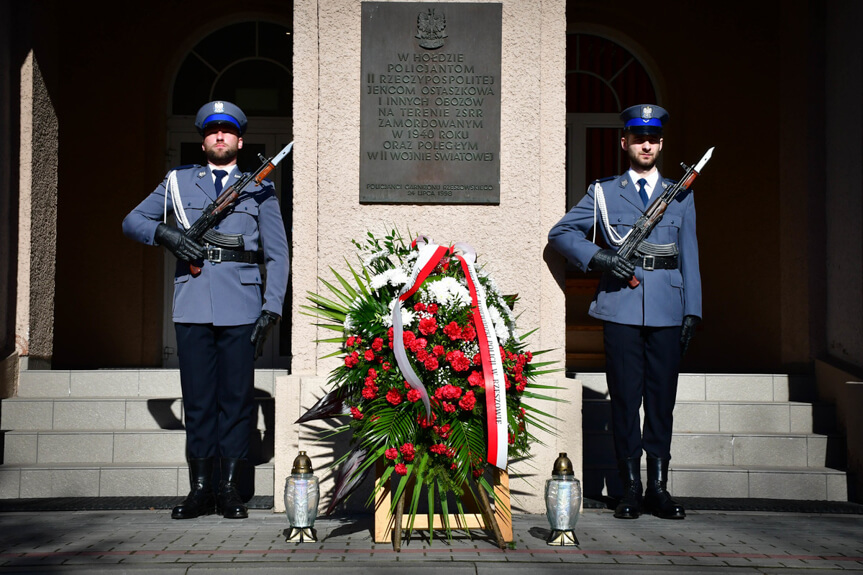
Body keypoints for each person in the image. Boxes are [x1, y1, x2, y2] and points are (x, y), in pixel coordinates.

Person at [122, 101, 290, 519]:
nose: (220, 136)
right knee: (198, 402)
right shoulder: (178, 182)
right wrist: (168, 235)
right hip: (193, 304)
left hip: (242, 305)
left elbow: (278, 255)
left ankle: (229, 490)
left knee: (235, 401)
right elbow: (132, 221)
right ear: (203, 141)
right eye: (212, 130)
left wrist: (271, 309)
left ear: (240, 140)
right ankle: (200, 490)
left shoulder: (259, 189)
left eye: (227, 131)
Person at [548, 104, 701, 520]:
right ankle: (630, 488)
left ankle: (659, 488)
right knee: (624, 401)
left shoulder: (680, 194)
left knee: (661, 401)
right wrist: (599, 259)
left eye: (652, 138)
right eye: (638, 138)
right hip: (621, 306)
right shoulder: (603, 192)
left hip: (669, 309)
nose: (646, 144)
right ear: (625, 143)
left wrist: (693, 311)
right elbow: (560, 233)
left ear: (661, 144)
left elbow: (689, 254)